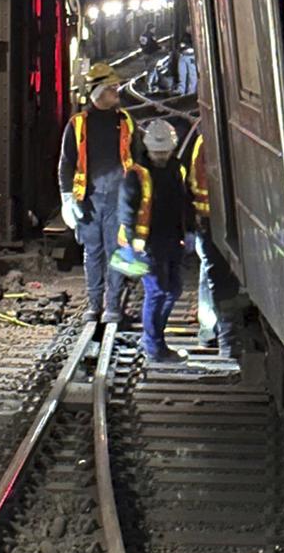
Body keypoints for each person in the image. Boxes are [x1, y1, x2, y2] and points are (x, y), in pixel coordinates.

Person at [58, 63, 137, 323]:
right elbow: (66, 163)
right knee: (92, 252)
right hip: (89, 199)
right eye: (112, 88)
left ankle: (112, 307)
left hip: (118, 198)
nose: (117, 92)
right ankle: (94, 305)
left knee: (116, 250)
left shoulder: (125, 122)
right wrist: (67, 198)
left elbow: (138, 160)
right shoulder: (78, 124)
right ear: (98, 92)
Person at [119, 119, 192, 364]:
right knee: (158, 291)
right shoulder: (136, 174)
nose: (161, 156)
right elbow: (127, 211)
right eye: (157, 152)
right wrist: (133, 241)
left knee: (173, 290)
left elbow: (183, 200)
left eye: (165, 152)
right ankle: (154, 346)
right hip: (147, 243)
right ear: (149, 149)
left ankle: (153, 340)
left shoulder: (176, 168)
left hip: (171, 239)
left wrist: (190, 230)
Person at [184, 130, 238, 357]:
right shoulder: (206, 144)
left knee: (210, 275)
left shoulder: (203, 143)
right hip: (210, 222)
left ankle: (209, 332)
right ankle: (223, 339)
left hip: (209, 221)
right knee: (217, 277)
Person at [139, 23, 163, 91]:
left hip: (145, 54)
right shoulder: (152, 35)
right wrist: (161, 48)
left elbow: (142, 45)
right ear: (151, 28)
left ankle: (154, 83)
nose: (155, 30)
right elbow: (154, 45)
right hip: (152, 54)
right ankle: (148, 87)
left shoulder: (142, 35)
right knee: (151, 70)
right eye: (154, 28)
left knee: (150, 69)